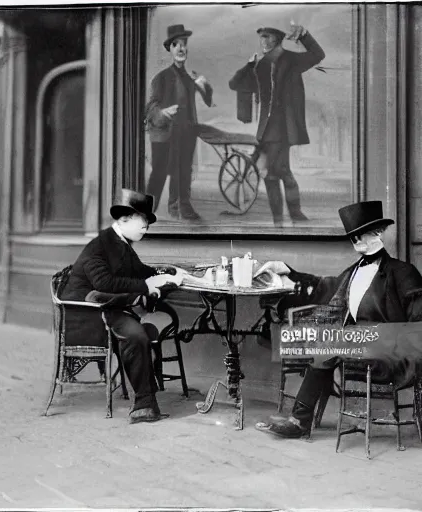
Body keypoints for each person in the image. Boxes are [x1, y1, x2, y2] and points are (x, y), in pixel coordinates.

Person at [256, 200, 422, 438]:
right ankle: (300, 420)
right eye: (352, 238)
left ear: (378, 233)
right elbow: (326, 287)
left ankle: (299, 421)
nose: (356, 242)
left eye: (361, 235)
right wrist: (288, 271)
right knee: (313, 340)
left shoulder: (403, 272)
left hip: (393, 351)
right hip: (358, 346)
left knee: (330, 344)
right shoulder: (353, 272)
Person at [61, 189, 185, 424]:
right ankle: (143, 405)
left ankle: (146, 401)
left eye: (147, 222)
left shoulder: (119, 242)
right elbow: (104, 283)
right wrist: (147, 286)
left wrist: (166, 272)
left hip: (105, 308)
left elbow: (139, 271)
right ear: (124, 219)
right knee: (136, 334)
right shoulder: (100, 245)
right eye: (143, 220)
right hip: (86, 316)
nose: (146, 226)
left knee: (139, 330)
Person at [229, 24, 325, 228]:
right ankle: (286, 218)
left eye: (267, 37)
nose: (262, 42)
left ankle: (286, 218)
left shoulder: (291, 59)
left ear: (278, 39)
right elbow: (235, 84)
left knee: (274, 172)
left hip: (283, 129)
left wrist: (304, 35)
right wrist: (248, 66)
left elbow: (318, 54)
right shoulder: (260, 65)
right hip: (265, 131)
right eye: (261, 37)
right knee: (277, 173)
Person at [145, 24, 213, 221]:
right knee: (159, 173)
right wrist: (163, 112)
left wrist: (203, 83)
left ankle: (182, 207)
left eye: (184, 44)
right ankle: (145, 213)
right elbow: (151, 106)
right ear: (170, 49)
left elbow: (208, 100)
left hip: (187, 132)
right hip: (167, 133)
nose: (181, 48)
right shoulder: (162, 78)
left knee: (184, 170)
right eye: (176, 45)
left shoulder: (191, 78)